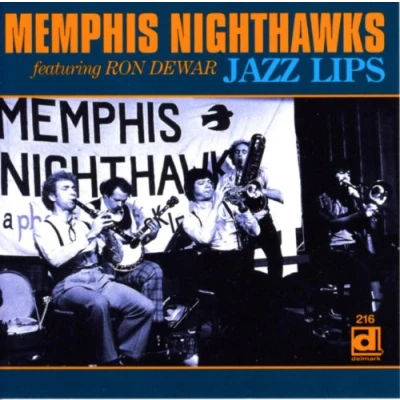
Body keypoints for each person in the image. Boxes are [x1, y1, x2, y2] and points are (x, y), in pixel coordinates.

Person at [34, 170, 154, 366]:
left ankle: (124, 354)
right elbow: (56, 259)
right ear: (52, 196)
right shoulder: (44, 227)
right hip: (68, 285)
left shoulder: (83, 224)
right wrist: (91, 234)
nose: (73, 192)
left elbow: (115, 257)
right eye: (65, 188)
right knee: (98, 303)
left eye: (74, 188)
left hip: (98, 279)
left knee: (145, 307)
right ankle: (109, 362)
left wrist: (108, 235)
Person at [182, 168, 262, 329]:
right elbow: (205, 239)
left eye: (209, 182)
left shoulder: (228, 206)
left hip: (239, 260)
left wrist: (243, 208)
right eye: (201, 183)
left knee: (265, 286)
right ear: (191, 189)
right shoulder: (189, 219)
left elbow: (255, 231)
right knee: (239, 296)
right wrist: (216, 204)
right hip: (213, 263)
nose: (208, 185)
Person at [308, 161, 382, 333]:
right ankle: (360, 326)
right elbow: (332, 223)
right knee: (362, 275)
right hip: (334, 250)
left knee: (381, 269)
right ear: (331, 175)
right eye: (341, 172)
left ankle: (366, 321)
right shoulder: (321, 199)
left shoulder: (351, 198)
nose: (346, 177)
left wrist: (359, 201)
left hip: (356, 248)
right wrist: (360, 214)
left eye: (348, 173)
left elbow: (370, 226)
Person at [87, 177, 165, 327]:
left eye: (124, 200)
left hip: (124, 268)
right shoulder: (89, 210)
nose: (120, 204)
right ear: (105, 195)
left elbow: (132, 244)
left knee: (154, 270)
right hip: (102, 267)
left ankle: (154, 327)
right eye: (116, 200)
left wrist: (151, 236)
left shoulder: (127, 210)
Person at [222, 138, 284, 285]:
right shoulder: (226, 178)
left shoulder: (262, 173)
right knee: (245, 263)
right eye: (237, 152)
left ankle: (276, 291)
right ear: (232, 156)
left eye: (244, 152)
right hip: (243, 224)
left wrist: (260, 190)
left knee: (275, 258)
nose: (240, 155)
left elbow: (280, 196)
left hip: (262, 219)